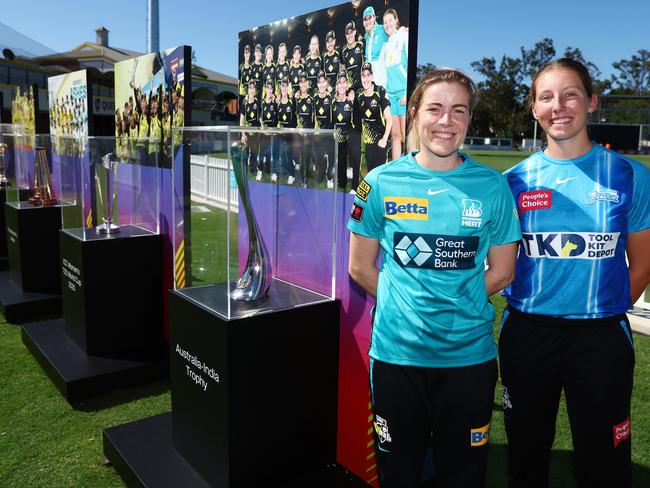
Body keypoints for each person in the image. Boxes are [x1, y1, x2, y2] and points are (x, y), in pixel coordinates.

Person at [347, 67, 521, 488]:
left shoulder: (493, 187)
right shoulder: (377, 184)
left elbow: (502, 272)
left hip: (469, 359)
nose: (447, 120)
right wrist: (405, 301)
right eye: (436, 108)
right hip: (396, 358)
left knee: (463, 475)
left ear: (468, 120)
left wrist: (454, 300)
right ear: (414, 113)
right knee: (398, 473)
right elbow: (360, 267)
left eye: (458, 111)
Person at [500, 58, 650, 488]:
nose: (558, 105)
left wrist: (605, 308)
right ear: (534, 109)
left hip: (601, 338)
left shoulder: (630, 176)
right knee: (526, 456)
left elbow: (641, 263)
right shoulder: (513, 181)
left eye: (570, 94)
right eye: (546, 97)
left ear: (592, 102)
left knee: (604, 461)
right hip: (527, 333)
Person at [380, 8, 409, 161]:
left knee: (406, 134)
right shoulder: (387, 44)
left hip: (403, 92)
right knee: (395, 135)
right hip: (391, 95)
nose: (387, 24)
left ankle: (412, 168)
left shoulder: (404, 35)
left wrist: (406, 92)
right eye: (385, 22)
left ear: (396, 20)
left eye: (390, 20)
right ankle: (396, 167)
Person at [356, 62, 391, 171]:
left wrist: (384, 139)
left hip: (381, 141)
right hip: (368, 142)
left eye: (368, 75)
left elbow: (389, 120)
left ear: (372, 76)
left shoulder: (380, 92)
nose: (365, 79)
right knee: (371, 173)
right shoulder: (359, 95)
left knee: (380, 174)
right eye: (363, 75)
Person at [332, 69, 361, 192]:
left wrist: (353, 101)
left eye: (344, 82)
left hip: (351, 135)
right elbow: (330, 121)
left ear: (347, 84)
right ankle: (342, 182)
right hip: (339, 136)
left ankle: (355, 186)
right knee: (341, 160)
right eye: (340, 82)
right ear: (337, 86)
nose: (342, 85)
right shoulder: (332, 102)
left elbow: (358, 118)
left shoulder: (352, 100)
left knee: (354, 161)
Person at [313, 71, 334, 187]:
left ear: (326, 83)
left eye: (323, 82)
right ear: (317, 84)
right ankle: (320, 171)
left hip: (330, 133)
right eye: (319, 82)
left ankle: (330, 177)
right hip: (318, 135)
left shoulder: (331, 97)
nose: (321, 85)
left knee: (331, 157)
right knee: (318, 179)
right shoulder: (314, 98)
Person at [294, 71, 315, 188]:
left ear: (307, 83)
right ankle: (303, 179)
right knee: (301, 157)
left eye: (304, 82)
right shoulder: (296, 98)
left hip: (309, 134)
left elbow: (314, 116)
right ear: (299, 84)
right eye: (300, 82)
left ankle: (306, 174)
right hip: (299, 134)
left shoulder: (311, 99)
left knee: (307, 157)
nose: (302, 84)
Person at [362, 5, 388, 86]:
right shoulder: (366, 36)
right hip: (371, 80)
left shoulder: (382, 29)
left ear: (374, 17)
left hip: (383, 79)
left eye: (369, 18)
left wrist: (403, 30)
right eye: (365, 19)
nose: (367, 21)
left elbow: (394, 31)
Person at [277, 79, 296, 185]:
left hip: (290, 134)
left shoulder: (291, 102)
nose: (284, 89)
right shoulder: (278, 103)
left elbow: (294, 117)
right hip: (281, 134)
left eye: (285, 87)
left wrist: (292, 95)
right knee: (283, 155)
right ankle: (290, 168)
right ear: (280, 89)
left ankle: (292, 175)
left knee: (287, 154)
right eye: (282, 87)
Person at [240, 80, 261, 175]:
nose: (251, 90)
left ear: (255, 91)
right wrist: (243, 134)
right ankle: (244, 170)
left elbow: (261, 118)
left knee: (254, 153)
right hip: (247, 132)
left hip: (255, 133)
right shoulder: (244, 103)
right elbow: (241, 120)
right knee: (245, 152)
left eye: (253, 88)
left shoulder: (258, 103)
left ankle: (253, 171)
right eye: (250, 88)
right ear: (247, 90)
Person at [342, 21, 365, 91]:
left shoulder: (361, 45)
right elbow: (342, 68)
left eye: (351, 32)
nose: (349, 35)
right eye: (347, 34)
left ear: (355, 32)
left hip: (363, 85)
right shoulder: (343, 50)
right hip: (350, 88)